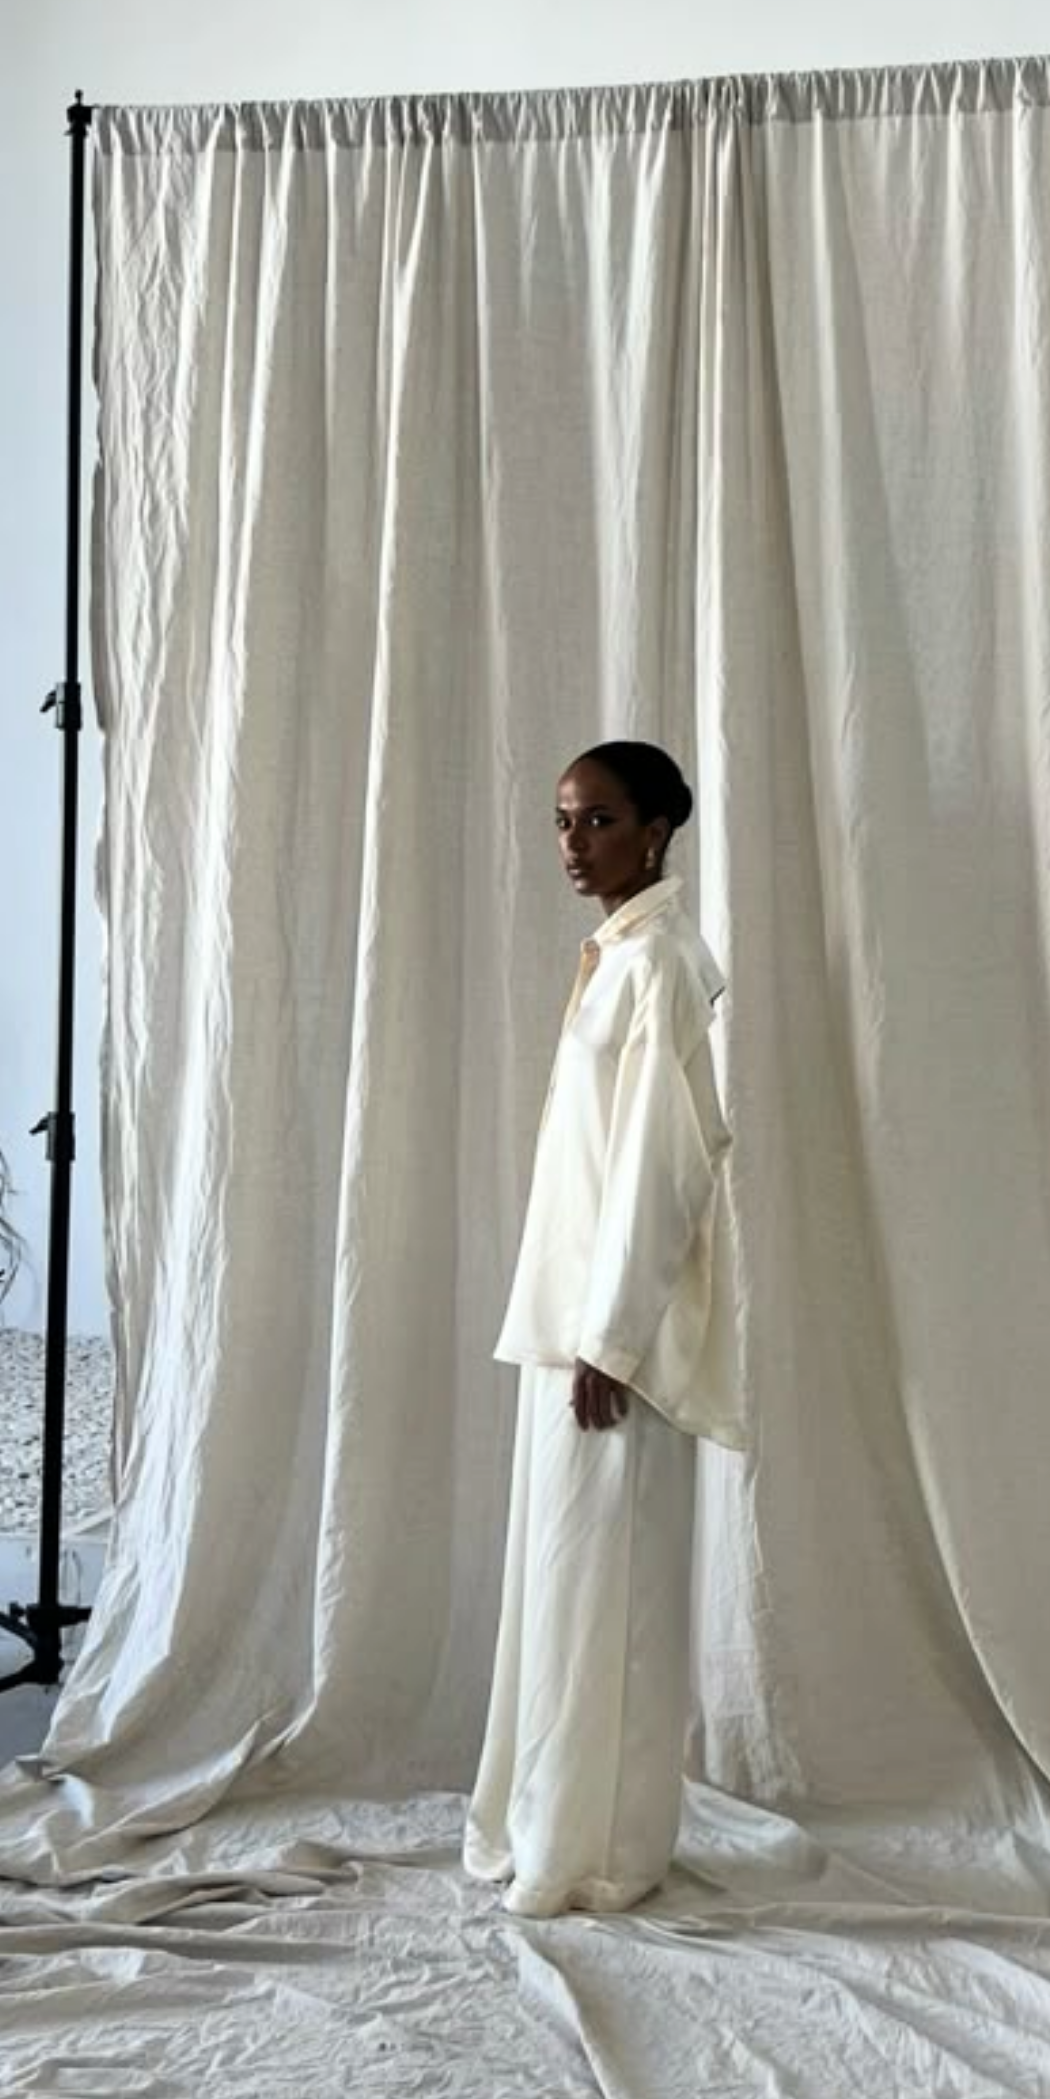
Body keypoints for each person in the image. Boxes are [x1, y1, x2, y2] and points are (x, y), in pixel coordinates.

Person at [464, 740, 748, 1918]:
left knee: (606, 1591)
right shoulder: (615, 955)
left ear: (658, 828)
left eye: (595, 820)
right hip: (567, 1323)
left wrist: (613, 1338)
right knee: (565, 1583)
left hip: (605, 1340)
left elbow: (662, 1167)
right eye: (562, 820)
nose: (572, 843)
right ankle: (557, 1825)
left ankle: (600, 1849)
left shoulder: (662, 964)